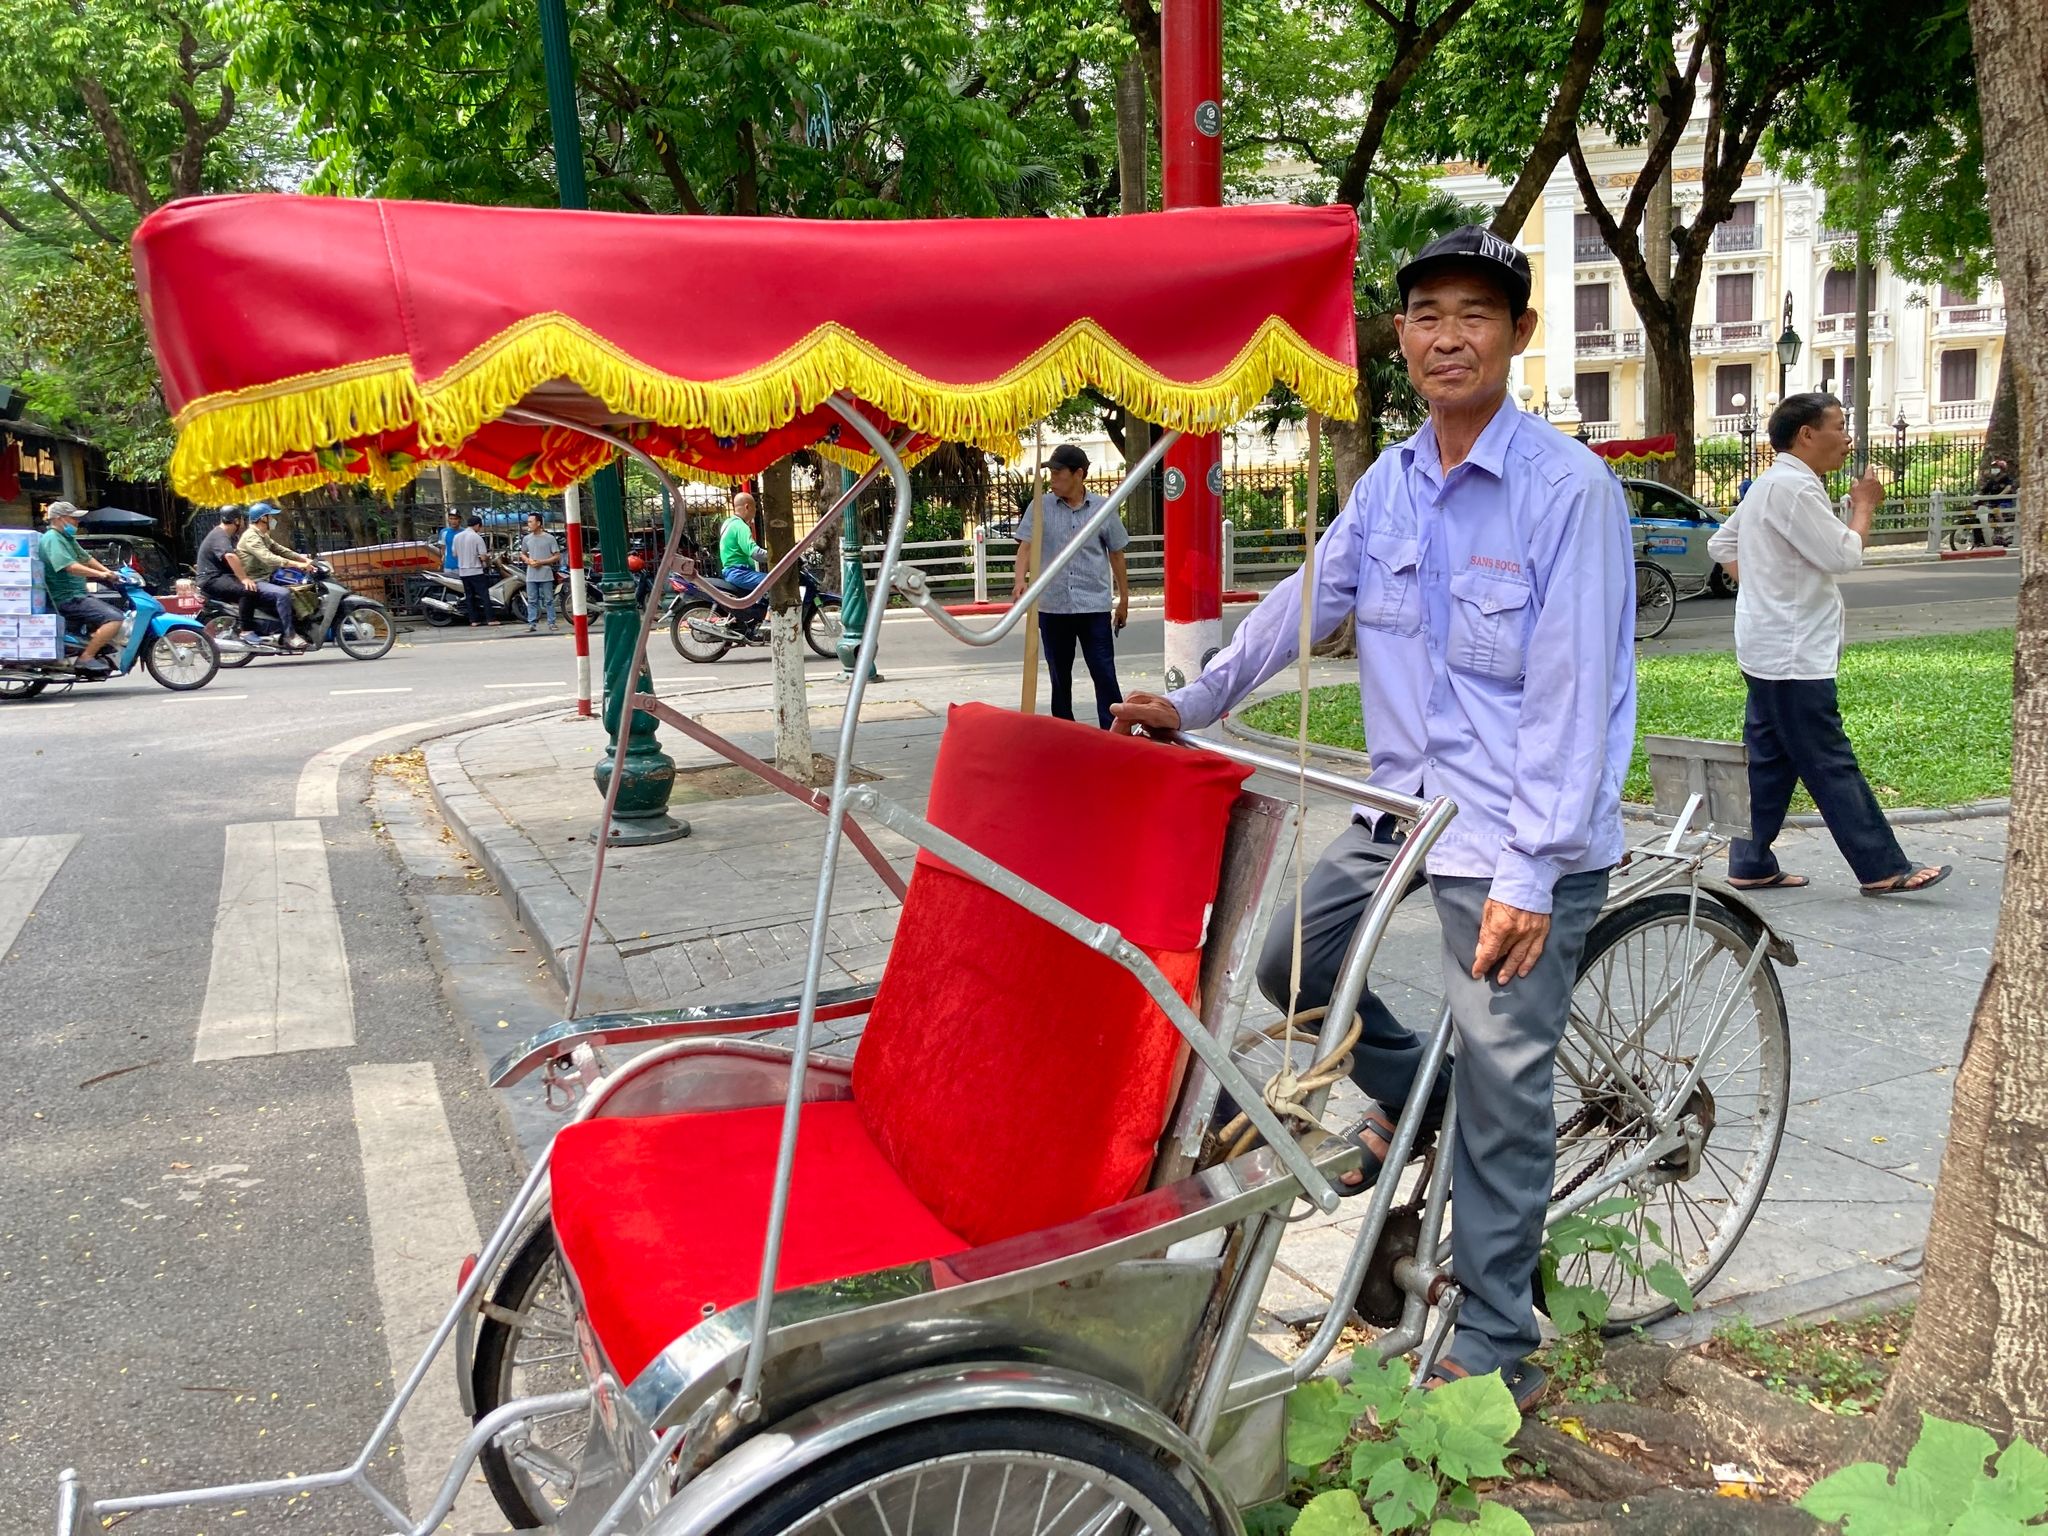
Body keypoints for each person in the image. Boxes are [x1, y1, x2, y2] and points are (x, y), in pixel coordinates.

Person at [1113, 226, 1636, 1411]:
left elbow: (1571, 698)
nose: (1445, 335)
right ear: (1398, 337)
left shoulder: (1564, 491)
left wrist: (1532, 873)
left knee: (1505, 1089)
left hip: (1513, 837)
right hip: (1403, 817)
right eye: (1423, 314)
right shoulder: (1388, 485)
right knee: (1290, 955)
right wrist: (1194, 698)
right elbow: (1303, 603)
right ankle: (1414, 1087)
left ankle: (1497, 1334)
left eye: (1473, 314)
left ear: (1517, 335)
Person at [1705, 394, 1950, 896]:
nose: (1847, 437)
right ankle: (1881, 866)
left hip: (1767, 646)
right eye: (1839, 425)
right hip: (1792, 654)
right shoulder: (1794, 488)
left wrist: (1764, 591)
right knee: (1828, 759)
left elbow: (1723, 545)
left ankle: (1750, 862)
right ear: (1806, 435)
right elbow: (1843, 556)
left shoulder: (1771, 485)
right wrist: (1863, 507)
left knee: (1771, 758)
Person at [1011, 443, 1131, 728]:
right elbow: (1025, 547)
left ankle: (1113, 732)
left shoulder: (1103, 509)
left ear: (1078, 474)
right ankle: (1065, 730)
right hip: (1053, 607)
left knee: (1103, 672)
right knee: (1059, 675)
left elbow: (1117, 553)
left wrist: (1124, 600)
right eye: (1050, 473)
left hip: (1093, 607)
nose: (1052, 479)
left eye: (1058, 473)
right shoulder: (1040, 507)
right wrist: (1019, 581)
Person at [38, 501, 124, 675]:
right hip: (68, 598)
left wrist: (108, 571)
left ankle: (93, 653)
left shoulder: (66, 538)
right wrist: (99, 575)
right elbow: (69, 566)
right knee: (115, 618)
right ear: (60, 519)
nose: (77, 523)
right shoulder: (53, 539)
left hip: (78, 595)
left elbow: (85, 558)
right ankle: (86, 658)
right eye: (73, 519)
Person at [235, 502, 315, 650]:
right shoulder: (251, 537)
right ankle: (290, 635)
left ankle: (300, 627)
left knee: (298, 586)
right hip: (256, 581)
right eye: (270, 516)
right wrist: (296, 564)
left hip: (267, 577)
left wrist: (304, 560)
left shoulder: (262, 535)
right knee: (283, 594)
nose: (273, 519)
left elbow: (281, 550)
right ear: (262, 519)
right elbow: (268, 557)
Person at [195, 507, 267, 642]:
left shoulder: (227, 536)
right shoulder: (220, 535)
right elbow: (230, 556)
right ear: (236, 521)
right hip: (211, 579)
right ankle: (246, 631)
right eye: (242, 519)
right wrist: (244, 578)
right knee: (248, 590)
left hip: (219, 576)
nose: (244, 523)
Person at [519, 512, 561, 632]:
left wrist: (541, 562)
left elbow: (557, 556)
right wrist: (528, 560)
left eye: (531, 522)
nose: (529, 524)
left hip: (546, 573)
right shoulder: (527, 538)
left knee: (548, 599)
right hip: (531, 574)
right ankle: (532, 623)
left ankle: (551, 622)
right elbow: (522, 553)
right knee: (532, 600)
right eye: (528, 522)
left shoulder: (549, 538)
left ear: (538, 523)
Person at [452, 513, 496, 626]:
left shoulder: (457, 537)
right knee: (484, 595)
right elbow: (482, 556)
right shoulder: (477, 538)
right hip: (476, 570)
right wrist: (487, 558)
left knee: (469, 596)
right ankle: (490, 619)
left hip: (463, 571)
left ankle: (473, 620)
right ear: (477, 525)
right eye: (480, 526)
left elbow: (454, 554)